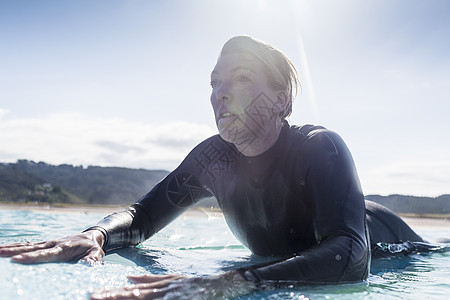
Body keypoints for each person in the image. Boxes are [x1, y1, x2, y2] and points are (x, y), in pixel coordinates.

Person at [0, 36, 428, 299]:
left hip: (400, 251)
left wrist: (234, 281)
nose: (220, 94)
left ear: (282, 99)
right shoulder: (214, 159)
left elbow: (351, 257)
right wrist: (94, 235)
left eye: (241, 78)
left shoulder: (319, 149)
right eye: (214, 82)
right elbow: (142, 216)